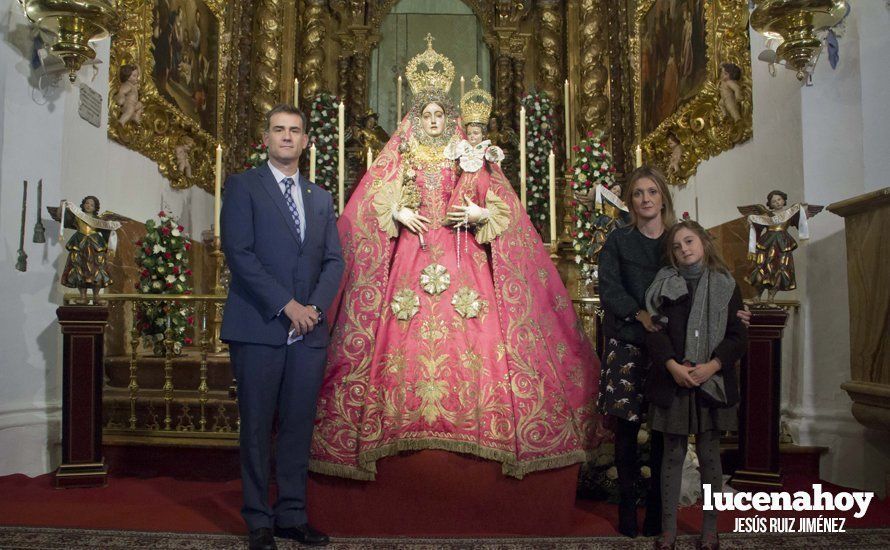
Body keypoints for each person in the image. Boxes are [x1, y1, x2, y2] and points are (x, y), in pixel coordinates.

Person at [311, 36, 601, 480]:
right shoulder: (402, 154)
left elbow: (499, 202)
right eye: (425, 115)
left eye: (439, 115)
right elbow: (369, 201)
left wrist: (481, 211)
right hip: (413, 252)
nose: (431, 121)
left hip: (463, 253)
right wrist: (396, 209)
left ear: (449, 118)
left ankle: (483, 424)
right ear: (414, 117)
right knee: (400, 332)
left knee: (479, 336)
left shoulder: (468, 156)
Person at [221, 104, 344, 550]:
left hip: (307, 332)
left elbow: (334, 260)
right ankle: (258, 520)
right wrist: (287, 305)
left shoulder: (321, 197)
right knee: (256, 426)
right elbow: (240, 253)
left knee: (297, 426)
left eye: (295, 131)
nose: (287, 137)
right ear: (266, 138)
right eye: (279, 130)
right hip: (259, 327)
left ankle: (292, 515)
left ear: (306, 141)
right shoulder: (243, 186)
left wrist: (312, 307)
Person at [643, 220, 748, 550]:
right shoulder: (664, 286)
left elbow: (737, 335)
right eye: (677, 246)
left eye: (689, 241)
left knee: (709, 455)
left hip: (711, 380)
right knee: (672, 456)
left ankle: (710, 529)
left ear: (703, 243)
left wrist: (712, 366)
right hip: (675, 380)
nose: (684, 248)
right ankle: (669, 529)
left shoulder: (725, 285)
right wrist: (673, 366)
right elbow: (654, 333)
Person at [596, 166, 676, 538]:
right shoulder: (618, 239)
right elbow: (609, 288)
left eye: (652, 192)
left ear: (663, 198)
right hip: (626, 341)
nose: (645, 199)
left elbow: (705, 277)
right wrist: (638, 314)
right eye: (639, 193)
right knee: (626, 431)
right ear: (630, 200)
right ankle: (628, 509)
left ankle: (658, 512)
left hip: (667, 345)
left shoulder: (678, 239)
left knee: (663, 430)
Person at [737, 190, 823, 303]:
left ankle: (771, 298)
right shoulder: (766, 214)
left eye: (779, 199)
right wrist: (751, 221)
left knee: (780, 269)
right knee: (762, 268)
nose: (777, 202)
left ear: (783, 200)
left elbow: (801, 217)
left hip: (782, 244)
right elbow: (754, 223)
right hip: (767, 243)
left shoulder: (790, 212)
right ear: (770, 204)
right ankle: (757, 296)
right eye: (773, 201)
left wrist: (804, 209)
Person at [57, 196, 121, 304]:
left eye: (91, 205)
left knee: (97, 270)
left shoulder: (98, 220)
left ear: (95, 208)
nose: (88, 206)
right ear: (83, 204)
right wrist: (61, 206)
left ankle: (96, 297)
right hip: (79, 244)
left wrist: (110, 240)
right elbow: (62, 217)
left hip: (95, 245)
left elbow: (106, 231)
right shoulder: (77, 216)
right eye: (87, 203)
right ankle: (83, 297)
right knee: (79, 270)